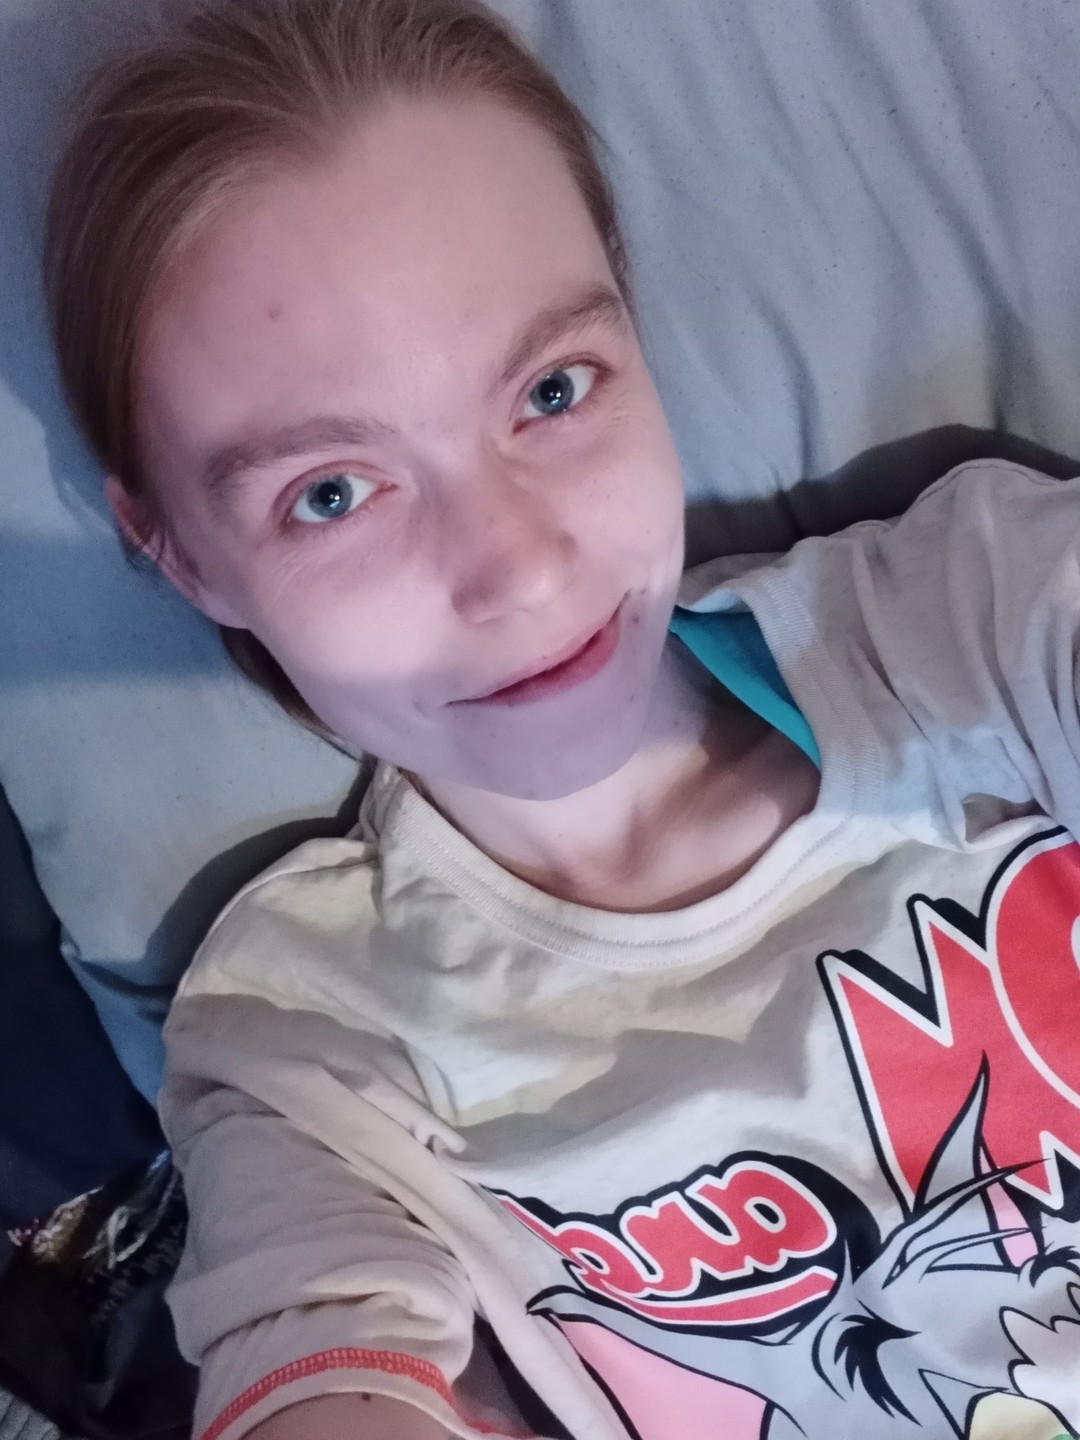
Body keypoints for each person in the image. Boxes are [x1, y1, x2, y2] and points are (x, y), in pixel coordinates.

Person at [42, 1, 1080, 1437]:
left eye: (551, 390)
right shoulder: (303, 1045)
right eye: (330, 492)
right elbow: (328, 1364)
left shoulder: (976, 616)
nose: (521, 570)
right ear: (179, 555)